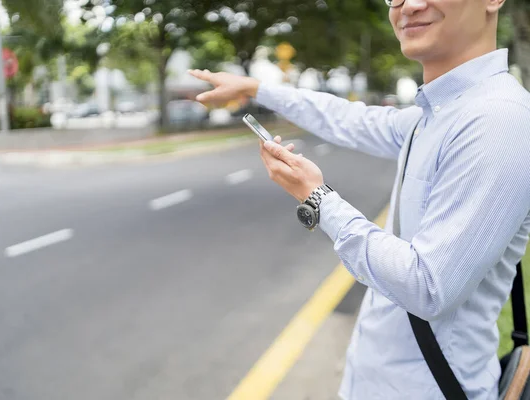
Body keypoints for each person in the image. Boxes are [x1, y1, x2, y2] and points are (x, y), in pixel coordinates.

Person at [188, 0, 530, 397]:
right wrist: (257, 89)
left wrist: (318, 198)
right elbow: (353, 120)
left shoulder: (497, 120)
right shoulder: (437, 112)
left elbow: (428, 287)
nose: (409, 6)